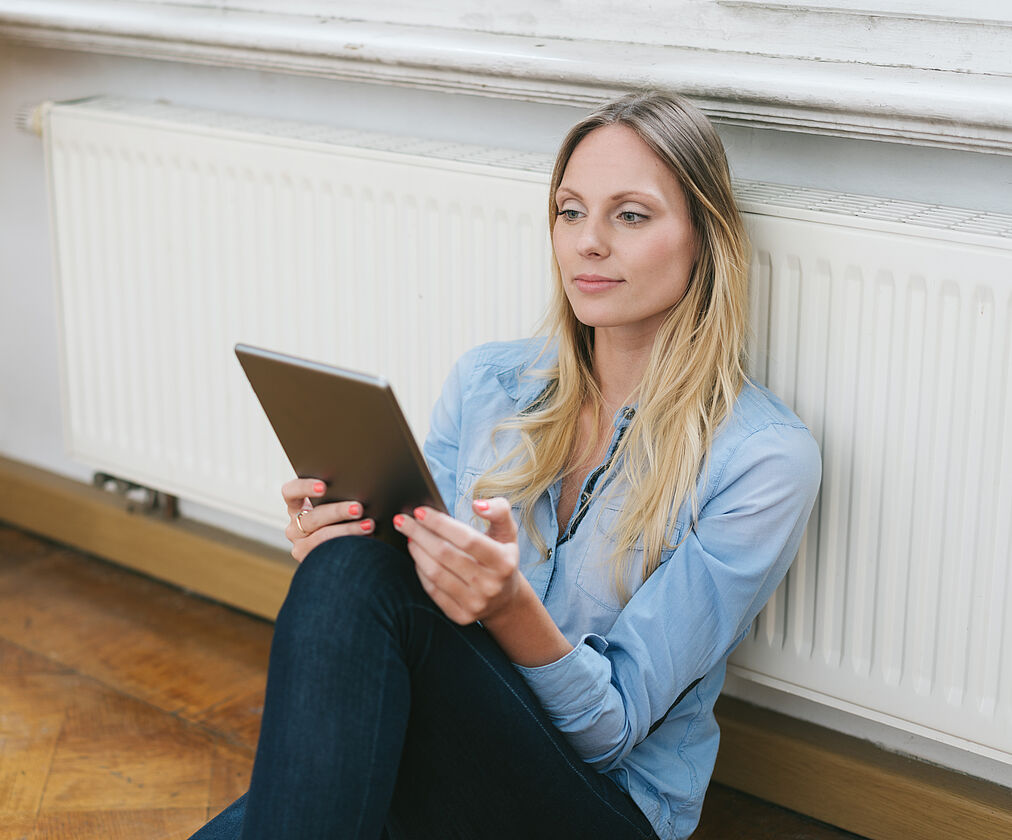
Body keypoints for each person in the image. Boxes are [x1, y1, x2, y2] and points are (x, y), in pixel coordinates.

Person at [190, 90, 821, 840]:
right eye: (570, 210)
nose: (588, 242)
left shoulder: (761, 459)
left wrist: (506, 608)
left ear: (703, 239)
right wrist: (340, 548)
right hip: (448, 751)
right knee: (350, 571)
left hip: (599, 807)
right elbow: (414, 606)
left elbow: (610, 731)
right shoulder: (489, 384)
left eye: (631, 215)